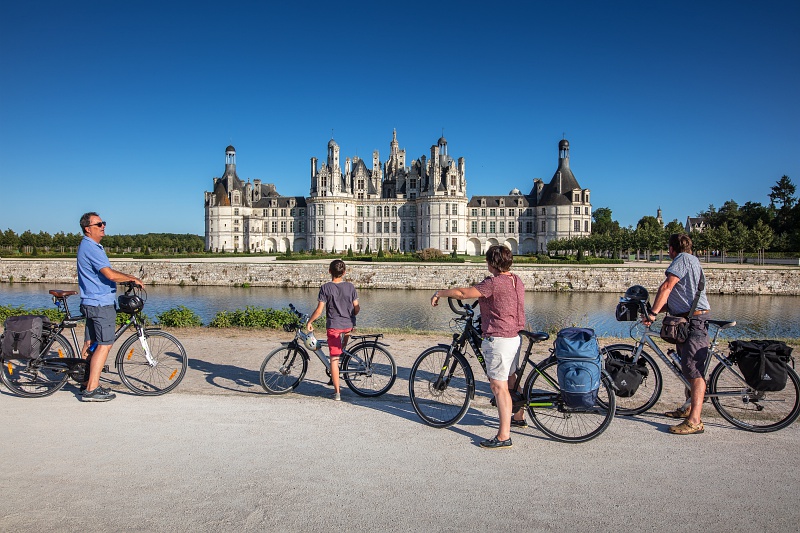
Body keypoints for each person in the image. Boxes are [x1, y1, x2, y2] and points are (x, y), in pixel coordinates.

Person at [431, 244, 525, 449]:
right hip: (514, 336)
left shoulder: (493, 283)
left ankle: (503, 436)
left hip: (499, 338)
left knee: (498, 387)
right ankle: (518, 416)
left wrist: (440, 292)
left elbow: (463, 293)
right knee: (510, 378)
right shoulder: (516, 280)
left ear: (492, 263)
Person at [644, 233, 710, 435]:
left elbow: (667, 287)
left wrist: (653, 314)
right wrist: (653, 309)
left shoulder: (681, 260)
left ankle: (695, 421)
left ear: (672, 249)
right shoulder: (691, 260)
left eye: (668, 249)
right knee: (686, 366)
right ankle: (688, 408)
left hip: (694, 322)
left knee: (693, 370)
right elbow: (677, 297)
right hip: (687, 320)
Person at [77, 212, 144, 402]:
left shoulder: (88, 245)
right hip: (101, 304)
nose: (103, 226)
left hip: (90, 301)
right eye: (98, 224)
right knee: (105, 345)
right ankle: (92, 389)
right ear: (88, 229)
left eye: (103, 223)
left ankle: (84, 382)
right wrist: (132, 278)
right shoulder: (91, 247)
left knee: (90, 344)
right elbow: (109, 274)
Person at [307, 259, 360, 401]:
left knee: (334, 360)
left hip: (334, 327)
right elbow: (357, 308)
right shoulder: (350, 287)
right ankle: (343, 350)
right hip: (348, 325)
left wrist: (310, 321)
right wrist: (352, 315)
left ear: (329, 271)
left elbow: (319, 310)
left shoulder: (326, 288)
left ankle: (337, 393)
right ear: (344, 272)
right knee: (341, 348)